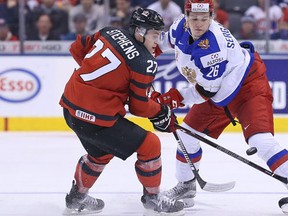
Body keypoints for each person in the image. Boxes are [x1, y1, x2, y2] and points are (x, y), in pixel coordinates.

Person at [151, 0, 288, 211]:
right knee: (187, 135)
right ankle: (186, 186)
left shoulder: (212, 47)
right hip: (220, 90)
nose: (199, 24)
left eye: (204, 19)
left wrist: (173, 98)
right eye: (194, 19)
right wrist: (141, 60)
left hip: (247, 87)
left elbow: (205, 92)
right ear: (185, 17)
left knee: (261, 141)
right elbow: (159, 45)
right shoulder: (179, 26)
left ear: (212, 17)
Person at [59, 7, 184, 215]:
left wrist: (102, 84)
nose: (157, 40)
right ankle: (153, 199)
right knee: (151, 145)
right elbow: (139, 107)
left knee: (100, 154)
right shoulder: (144, 62)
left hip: (70, 109)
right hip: (97, 119)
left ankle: (76, 198)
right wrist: (161, 111)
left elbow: (76, 48)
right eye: (154, 34)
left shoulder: (109, 32)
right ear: (140, 32)